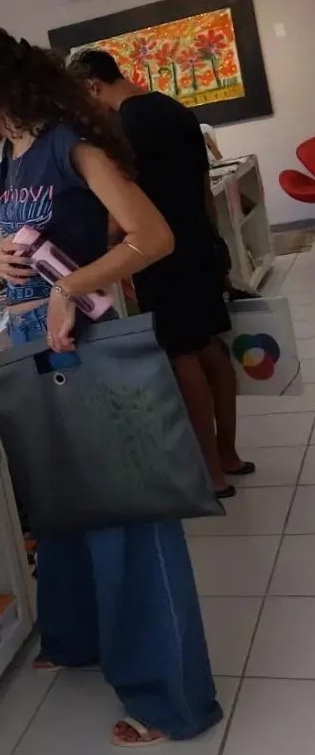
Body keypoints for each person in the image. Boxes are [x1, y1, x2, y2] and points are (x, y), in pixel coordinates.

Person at [0, 26, 222, 747]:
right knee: (62, 504)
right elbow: (33, 241)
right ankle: (80, 636)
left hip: (90, 346)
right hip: (39, 351)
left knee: (128, 516)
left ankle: (169, 696)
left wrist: (72, 288)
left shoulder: (69, 142)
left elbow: (150, 236)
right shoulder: (8, 155)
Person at [69, 49, 251, 498]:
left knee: (180, 355)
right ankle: (227, 453)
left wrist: (104, 250)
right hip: (199, 243)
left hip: (159, 254)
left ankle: (210, 474)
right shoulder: (176, 109)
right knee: (210, 345)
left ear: (92, 85)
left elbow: (121, 214)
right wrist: (213, 241)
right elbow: (203, 186)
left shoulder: (122, 130)